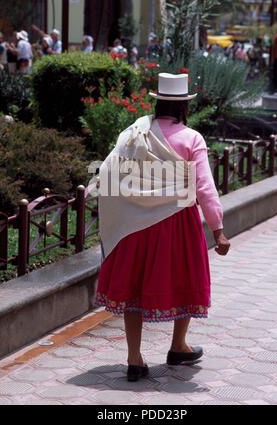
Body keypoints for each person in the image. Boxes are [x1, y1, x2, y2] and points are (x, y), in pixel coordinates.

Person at [94, 72, 230, 382]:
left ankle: (134, 358)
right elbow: (205, 187)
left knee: (134, 287)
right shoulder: (191, 138)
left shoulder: (135, 133)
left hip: (136, 224)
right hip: (177, 223)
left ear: (158, 104)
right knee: (184, 278)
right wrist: (217, 228)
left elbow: (110, 172)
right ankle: (178, 345)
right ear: (184, 108)